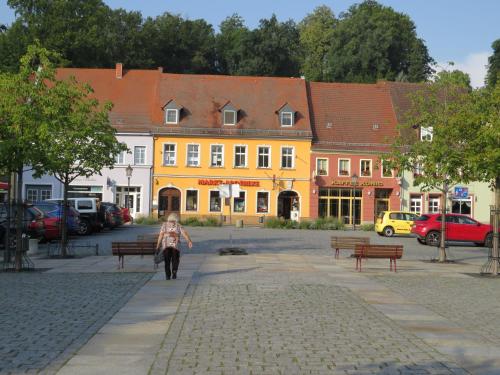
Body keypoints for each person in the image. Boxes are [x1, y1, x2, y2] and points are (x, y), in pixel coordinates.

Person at [156, 213, 193, 280]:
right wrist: (189, 241)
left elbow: (161, 235)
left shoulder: (164, 225)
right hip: (175, 245)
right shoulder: (178, 225)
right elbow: (185, 234)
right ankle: (174, 271)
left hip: (166, 246)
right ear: (176, 219)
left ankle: (167, 275)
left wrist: (157, 246)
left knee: (167, 261)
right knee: (175, 259)